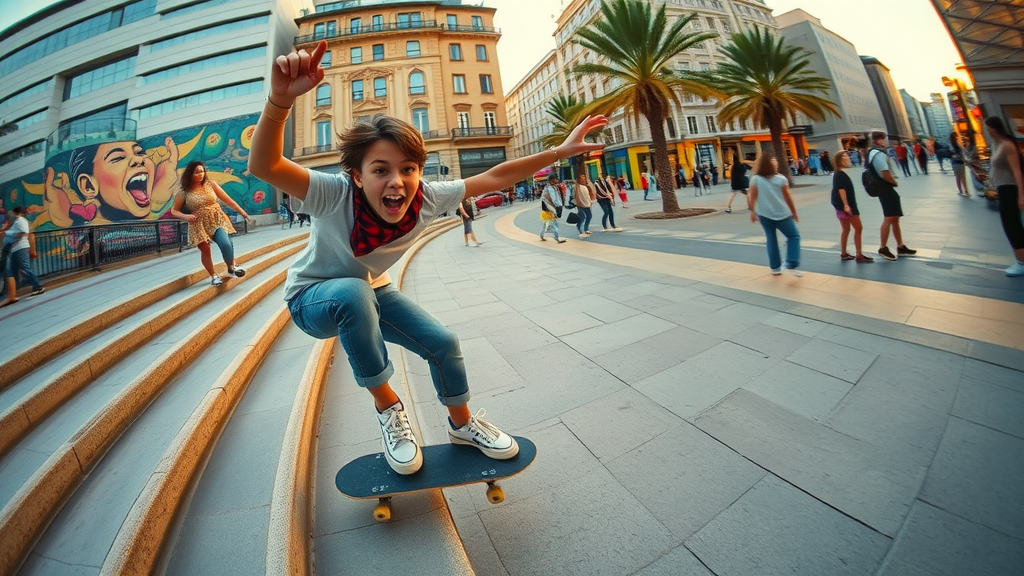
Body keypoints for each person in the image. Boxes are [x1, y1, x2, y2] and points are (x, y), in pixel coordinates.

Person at [248, 40, 604, 475]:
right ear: (358, 176)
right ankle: (389, 409)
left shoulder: (429, 197)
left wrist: (557, 154)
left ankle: (463, 423)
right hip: (313, 301)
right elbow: (265, 166)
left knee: (443, 344)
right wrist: (280, 101)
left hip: (369, 292)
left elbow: (494, 175)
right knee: (352, 291)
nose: (397, 182)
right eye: (381, 170)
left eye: (408, 169)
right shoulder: (331, 192)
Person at [170, 160, 250, 286]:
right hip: (198, 223)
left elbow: (228, 200)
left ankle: (231, 268)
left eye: (202, 171)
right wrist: (186, 216)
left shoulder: (211, 185)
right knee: (205, 250)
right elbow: (174, 210)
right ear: (190, 174)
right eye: (197, 172)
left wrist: (242, 212)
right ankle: (213, 276)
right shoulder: (183, 192)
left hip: (216, 218)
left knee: (226, 244)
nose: (200, 174)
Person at [983, 116, 1024, 276]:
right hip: (1003, 189)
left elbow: (1017, 171)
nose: (986, 130)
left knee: (1012, 226)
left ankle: (1021, 263)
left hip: (1010, 189)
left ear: (993, 128)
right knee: (1012, 225)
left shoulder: (1007, 146)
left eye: (987, 128)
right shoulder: (997, 145)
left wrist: (1021, 195)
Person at [749, 150, 801, 276]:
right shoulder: (781, 179)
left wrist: (752, 211)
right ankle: (791, 262)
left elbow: (753, 196)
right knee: (793, 236)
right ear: (768, 164)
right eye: (774, 161)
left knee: (771, 239)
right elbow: (787, 197)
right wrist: (793, 212)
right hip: (781, 214)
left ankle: (775, 267)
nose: (776, 163)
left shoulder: (755, 179)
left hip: (764, 214)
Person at [867, 131, 916, 261]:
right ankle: (882, 247)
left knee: (894, 218)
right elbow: (885, 172)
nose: (885, 141)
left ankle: (900, 246)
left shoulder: (872, 153)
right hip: (886, 188)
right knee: (889, 218)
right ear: (879, 140)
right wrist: (894, 181)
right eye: (884, 139)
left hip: (882, 188)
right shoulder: (878, 154)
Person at [831, 151, 873, 263]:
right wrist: (846, 205)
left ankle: (844, 253)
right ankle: (859, 255)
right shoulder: (840, 174)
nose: (848, 159)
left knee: (846, 229)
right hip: (848, 207)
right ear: (841, 160)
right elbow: (841, 190)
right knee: (858, 228)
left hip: (842, 207)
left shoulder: (837, 173)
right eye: (846, 157)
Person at [3, 206, 45, 306]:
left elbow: (23, 233)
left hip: (20, 248)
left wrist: (7, 233)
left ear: (15, 212)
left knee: (25, 268)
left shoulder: (21, 221)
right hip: (15, 249)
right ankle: (13, 293)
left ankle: (38, 286)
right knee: (13, 270)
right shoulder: (17, 221)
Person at [540, 175, 568, 243]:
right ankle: (557, 238)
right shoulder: (548, 189)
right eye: (555, 180)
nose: (556, 181)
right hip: (550, 208)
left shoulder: (554, 187)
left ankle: (541, 235)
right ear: (551, 180)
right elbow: (549, 199)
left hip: (553, 207)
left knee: (546, 223)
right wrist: (555, 207)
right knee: (554, 223)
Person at [949, 132, 968, 197]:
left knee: (958, 177)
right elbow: (960, 153)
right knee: (961, 176)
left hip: (955, 163)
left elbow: (961, 152)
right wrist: (962, 159)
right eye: (956, 136)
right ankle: (965, 190)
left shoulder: (952, 145)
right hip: (959, 162)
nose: (958, 137)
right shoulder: (955, 145)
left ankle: (962, 191)